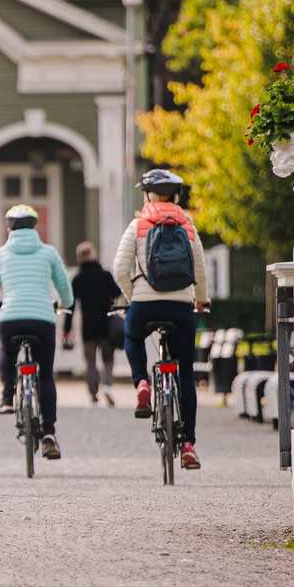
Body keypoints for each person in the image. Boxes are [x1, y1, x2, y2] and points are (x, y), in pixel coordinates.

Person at [112, 168, 209, 470]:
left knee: (132, 335)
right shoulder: (188, 225)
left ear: (147, 195)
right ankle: (189, 445)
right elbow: (200, 270)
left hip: (145, 304)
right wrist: (200, 300)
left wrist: (133, 297)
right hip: (180, 307)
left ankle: (142, 382)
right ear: (175, 196)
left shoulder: (138, 224)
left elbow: (119, 268)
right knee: (185, 376)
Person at [0, 204, 73, 460]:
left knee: (7, 350)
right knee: (46, 377)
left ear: (9, 228)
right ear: (34, 227)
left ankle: (8, 396)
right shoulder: (48, 252)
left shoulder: (0, 253)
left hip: (10, 319)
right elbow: (65, 291)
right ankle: (50, 433)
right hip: (42, 319)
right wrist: (63, 303)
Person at [65, 240, 124, 406]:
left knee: (90, 362)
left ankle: (93, 394)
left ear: (79, 258)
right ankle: (107, 385)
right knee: (108, 359)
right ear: (93, 255)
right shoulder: (105, 275)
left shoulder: (78, 278)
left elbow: (71, 306)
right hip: (106, 324)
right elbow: (117, 291)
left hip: (88, 327)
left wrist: (67, 329)